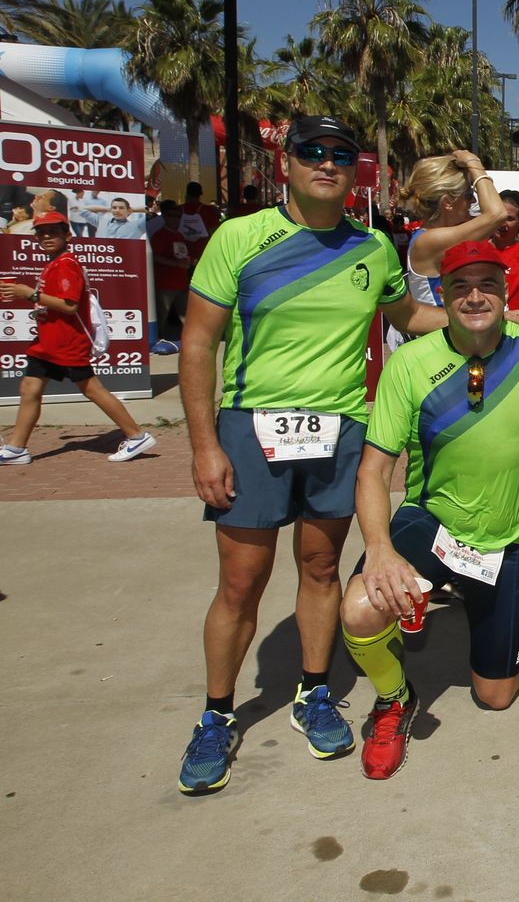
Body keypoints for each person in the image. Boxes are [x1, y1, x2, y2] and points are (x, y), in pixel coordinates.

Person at [174, 115, 446, 795]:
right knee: (242, 582)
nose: (327, 163)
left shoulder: (375, 247)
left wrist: (493, 318)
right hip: (249, 427)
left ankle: (314, 691)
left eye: (341, 155)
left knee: (321, 566)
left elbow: (407, 319)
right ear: (287, 162)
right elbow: (198, 344)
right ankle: (216, 714)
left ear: (358, 171)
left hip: (341, 430)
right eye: (312, 152)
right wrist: (205, 444)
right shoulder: (240, 237)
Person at [339, 240, 519, 779]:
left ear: (507, 293)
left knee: (497, 696)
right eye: (460, 286)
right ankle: (394, 699)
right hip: (434, 521)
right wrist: (380, 550)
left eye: (487, 284)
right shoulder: (410, 362)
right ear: (442, 294)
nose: (475, 296)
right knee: (362, 606)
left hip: (511, 540)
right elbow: (372, 470)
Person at [0, 211, 158, 466]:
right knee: (30, 388)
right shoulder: (55, 263)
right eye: (41, 232)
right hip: (47, 344)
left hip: (67, 343)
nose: (47, 236)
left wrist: (28, 294)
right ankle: (17, 448)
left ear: (67, 235)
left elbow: (69, 305)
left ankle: (136, 435)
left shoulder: (65, 265)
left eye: (53, 231)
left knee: (92, 389)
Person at [396, 151, 507, 309]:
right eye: (469, 195)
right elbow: (497, 214)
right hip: (436, 331)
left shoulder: (433, 236)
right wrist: (473, 162)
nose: (474, 200)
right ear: (448, 202)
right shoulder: (430, 241)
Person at [149, 199, 194, 341]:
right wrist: (175, 264)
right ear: (165, 217)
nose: (176, 219)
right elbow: (155, 257)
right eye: (171, 215)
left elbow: (183, 254)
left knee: (186, 315)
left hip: (181, 283)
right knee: (162, 315)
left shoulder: (179, 235)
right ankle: (157, 338)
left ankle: (190, 339)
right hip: (165, 284)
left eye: (178, 216)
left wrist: (189, 261)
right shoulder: (160, 235)